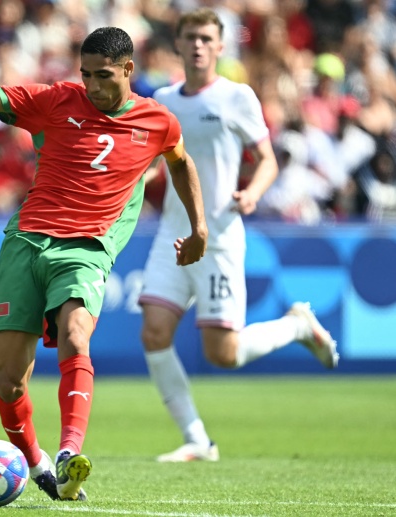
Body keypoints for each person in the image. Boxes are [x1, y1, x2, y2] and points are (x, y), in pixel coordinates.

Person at [0, 26, 208, 501]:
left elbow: (181, 162)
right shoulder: (56, 100)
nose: (92, 85)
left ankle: (69, 454)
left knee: (76, 333)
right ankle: (39, 463)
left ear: (128, 70)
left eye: (102, 75)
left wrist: (199, 227)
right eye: (85, 74)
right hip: (26, 243)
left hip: (85, 249)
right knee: (8, 382)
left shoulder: (157, 121)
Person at [137, 8, 340, 464]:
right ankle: (197, 439)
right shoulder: (165, 99)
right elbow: (157, 160)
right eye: (190, 37)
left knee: (222, 354)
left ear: (221, 45)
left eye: (207, 38)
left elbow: (267, 158)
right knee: (153, 332)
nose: (198, 45)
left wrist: (253, 192)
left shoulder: (236, 97)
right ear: (179, 43)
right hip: (173, 228)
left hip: (221, 234)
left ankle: (296, 325)